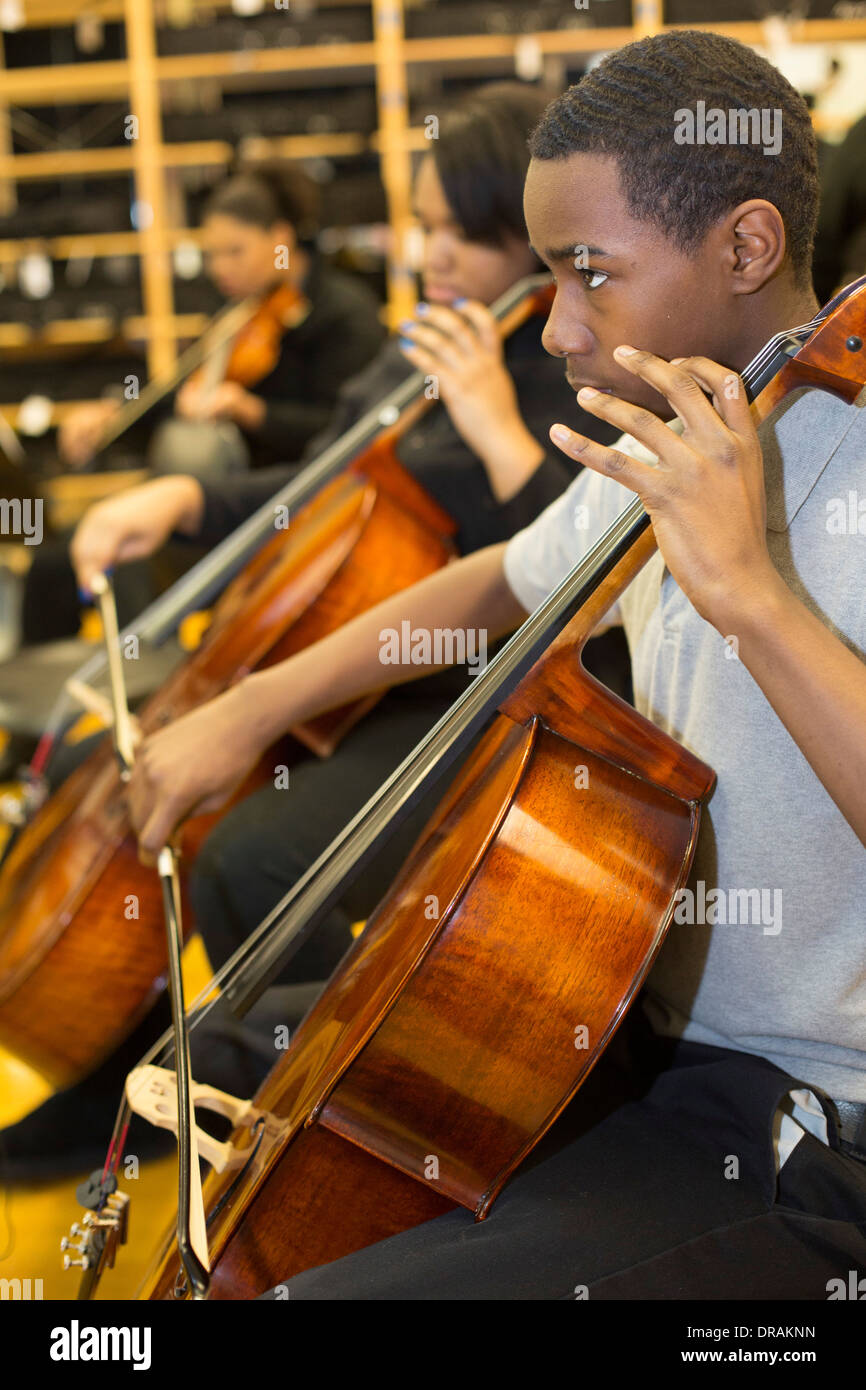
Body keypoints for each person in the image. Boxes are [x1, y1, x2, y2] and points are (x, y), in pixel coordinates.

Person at [119, 30, 865, 1299]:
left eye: (591, 274)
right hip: (633, 1027)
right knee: (219, 1055)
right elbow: (494, 581)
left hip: (808, 1115)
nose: (559, 328)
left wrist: (751, 593)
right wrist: (248, 707)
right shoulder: (670, 427)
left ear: (743, 248)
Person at [0, 83, 623, 1177]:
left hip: (460, 689)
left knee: (251, 849)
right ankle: (119, 1081)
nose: (423, 252)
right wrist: (185, 500)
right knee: (116, 761)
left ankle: (275, 1128)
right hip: (357, 671)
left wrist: (493, 429)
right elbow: (329, 484)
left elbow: (572, 594)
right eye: (416, 223)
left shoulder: (567, 355)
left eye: (451, 231)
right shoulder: (431, 334)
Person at [58, 159, 385, 476]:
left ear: (280, 239)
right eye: (212, 254)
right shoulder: (240, 310)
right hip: (243, 487)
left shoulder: (346, 314)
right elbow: (186, 391)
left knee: (190, 453)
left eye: (234, 251)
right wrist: (112, 413)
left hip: (314, 489)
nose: (218, 268)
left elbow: (350, 428)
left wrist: (250, 410)